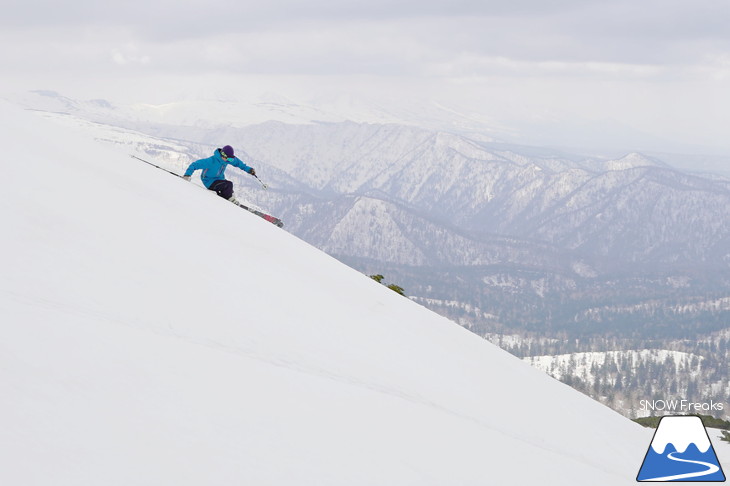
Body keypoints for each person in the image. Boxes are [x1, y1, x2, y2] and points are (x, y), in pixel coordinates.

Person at [182, 145, 256, 203]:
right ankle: (228, 201)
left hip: (219, 179)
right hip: (209, 181)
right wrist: (187, 175)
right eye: (228, 158)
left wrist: (249, 170)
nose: (229, 160)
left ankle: (226, 198)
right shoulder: (211, 161)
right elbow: (194, 165)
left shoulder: (227, 160)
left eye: (230, 159)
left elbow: (239, 164)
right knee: (229, 185)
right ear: (223, 155)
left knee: (230, 190)